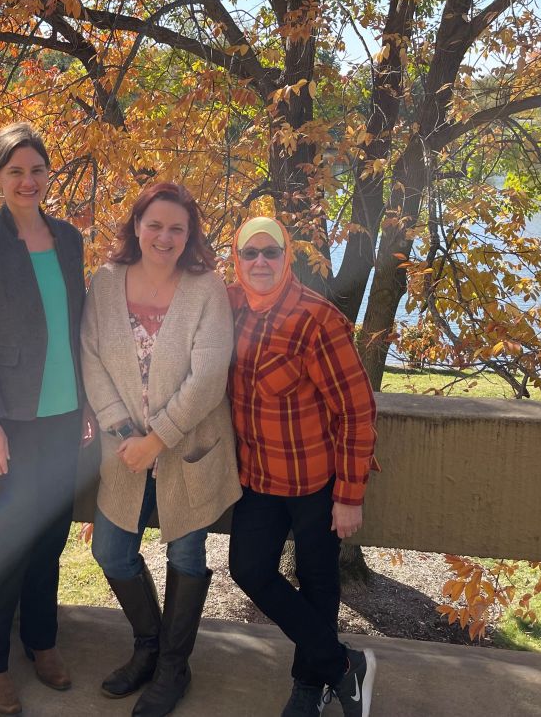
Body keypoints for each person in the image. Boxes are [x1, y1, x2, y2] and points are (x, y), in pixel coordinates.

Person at [80, 181, 240, 717]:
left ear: (190, 233)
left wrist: (159, 438)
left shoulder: (205, 287)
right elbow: (91, 356)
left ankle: (174, 666)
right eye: (155, 225)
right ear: (136, 227)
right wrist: (124, 430)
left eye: (177, 227)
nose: (164, 236)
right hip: (123, 446)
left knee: (186, 554)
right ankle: (148, 644)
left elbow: (209, 376)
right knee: (110, 551)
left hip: (189, 444)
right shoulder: (105, 282)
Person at [0, 122, 87, 717]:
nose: (27, 181)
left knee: (51, 538)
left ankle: (41, 641)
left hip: (64, 415)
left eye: (36, 170)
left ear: (49, 175)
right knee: (9, 540)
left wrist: (85, 407)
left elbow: (77, 326)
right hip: (10, 421)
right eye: (15, 172)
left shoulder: (69, 238)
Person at [226, 216, 379, 717]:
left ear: (287, 257)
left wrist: (350, 493)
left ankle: (310, 685)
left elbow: (357, 410)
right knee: (248, 569)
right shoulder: (230, 307)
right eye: (251, 253)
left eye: (271, 252)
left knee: (318, 583)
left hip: (315, 481)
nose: (261, 262)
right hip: (259, 479)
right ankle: (342, 665)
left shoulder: (318, 319)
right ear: (238, 260)